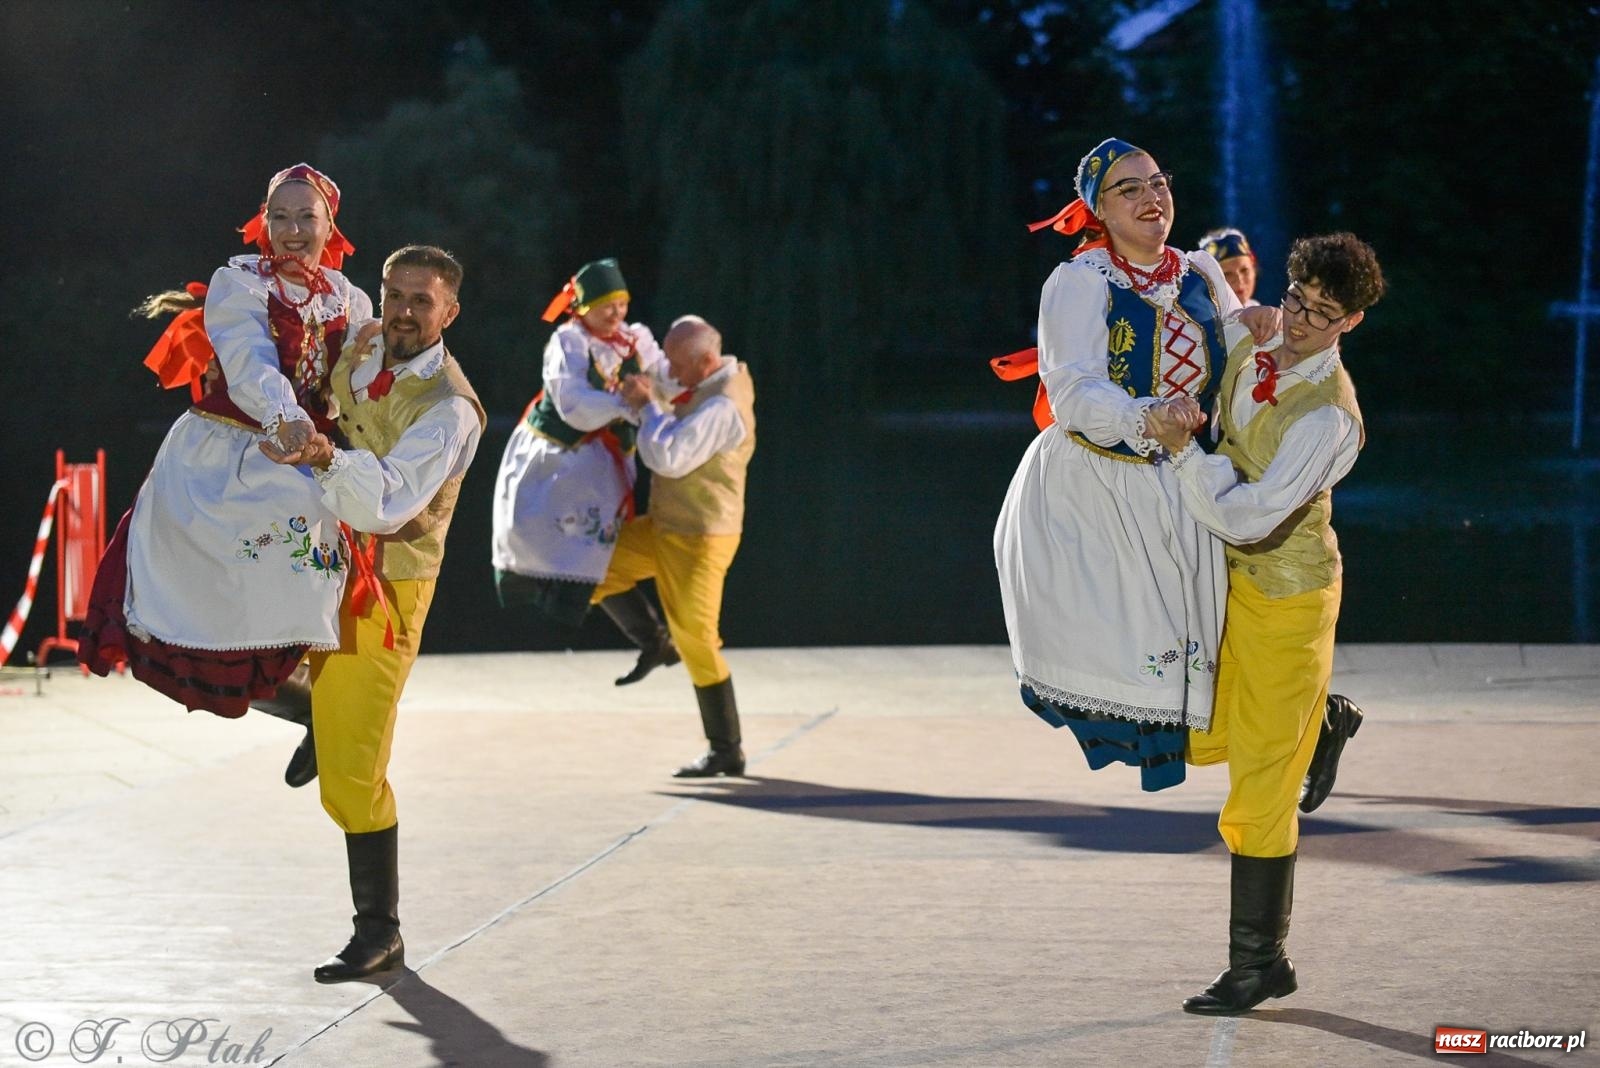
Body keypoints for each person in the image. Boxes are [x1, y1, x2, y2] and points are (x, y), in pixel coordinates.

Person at [1145, 232, 1385, 1015]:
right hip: (1226, 583)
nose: (1301, 321)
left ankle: (1260, 964)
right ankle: (1318, 724)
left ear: (1350, 322)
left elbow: (1249, 517)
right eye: (1296, 300)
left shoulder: (1331, 421)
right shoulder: (1262, 334)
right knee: (1198, 731)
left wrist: (1182, 457)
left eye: (1322, 314)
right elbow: (1210, 290)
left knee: (1257, 793)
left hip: (1287, 597)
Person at [993, 137, 1276, 791]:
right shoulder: (1079, 282)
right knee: (1133, 652)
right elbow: (1071, 389)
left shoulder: (1201, 268)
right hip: (1097, 486)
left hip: (1179, 475)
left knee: (1214, 639)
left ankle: (1298, 734)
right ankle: (1281, 758)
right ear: (1100, 210)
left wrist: (1254, 323)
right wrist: (1141, 415)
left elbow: (1227, 343)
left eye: (1159, 183)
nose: (1153, 198)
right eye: (1131, 189)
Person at [262, 244, 485, 983]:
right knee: (220, 646)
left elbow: (384, 502)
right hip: (319, 556)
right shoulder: (362, 345)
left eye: (422, 301)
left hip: (382, 591)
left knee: (350, 783)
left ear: (449, 312)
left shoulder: (450, 408)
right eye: (395, 295)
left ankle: (379, 932)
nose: (404, 311)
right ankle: (314, 722)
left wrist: (322, 456)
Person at [79, 164, 369, 717]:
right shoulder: (239, 282)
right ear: (262, 223)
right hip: (230, 450)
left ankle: (312, 709)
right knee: (227, 589)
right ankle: (303, 708)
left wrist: (357, 400)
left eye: (306, 216)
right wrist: (286, 414)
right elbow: (248, 357)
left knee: (316, 567)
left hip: (305, 451)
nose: (291, 228)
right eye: (278, 216)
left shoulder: (348, 298)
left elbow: (357, 373)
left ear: (330, 226)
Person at [491, 258, 681, 685]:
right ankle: (651, 638)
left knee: (599, 552)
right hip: (558, 457)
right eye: (606, 306)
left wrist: (666, 396)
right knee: (538, 536)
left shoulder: (637, 339)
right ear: (583, 307)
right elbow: (571, 403)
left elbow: (665, 379)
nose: (616, 314)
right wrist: (626, 404)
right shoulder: (568, 341)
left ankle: (653, 639)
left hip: (605, 463)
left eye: (622, 303)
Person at [594, 315, 755, 777]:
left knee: (698, 640)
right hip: (666, 526)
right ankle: (654, 643)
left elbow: (667, 455)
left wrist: (647, 406)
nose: (671, 371)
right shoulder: (705, 375)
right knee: (589, 566)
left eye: (679, 364)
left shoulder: (724, 406)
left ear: (706, 362)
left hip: (703, 537)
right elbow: (665, 380)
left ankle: (727, 749)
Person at [1200, 227, 1261, 307]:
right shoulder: (1200, 316)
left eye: (1244, 270)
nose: (1239, 280)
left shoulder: (1258, 310)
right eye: (1227, 274)